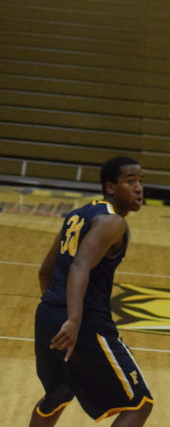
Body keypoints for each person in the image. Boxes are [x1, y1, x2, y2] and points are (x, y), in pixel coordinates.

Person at [30, 156, 153, 426]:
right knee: (139, 403)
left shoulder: (77, 215)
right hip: (84, 321)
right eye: (130, 181)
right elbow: (79, 267)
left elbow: (45, 271)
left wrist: (55, 310)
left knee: (56, 396)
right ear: (111, 187)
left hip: (48, 314)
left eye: (141, 181)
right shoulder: (113, 222)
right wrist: (73, 320)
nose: (138, 188)